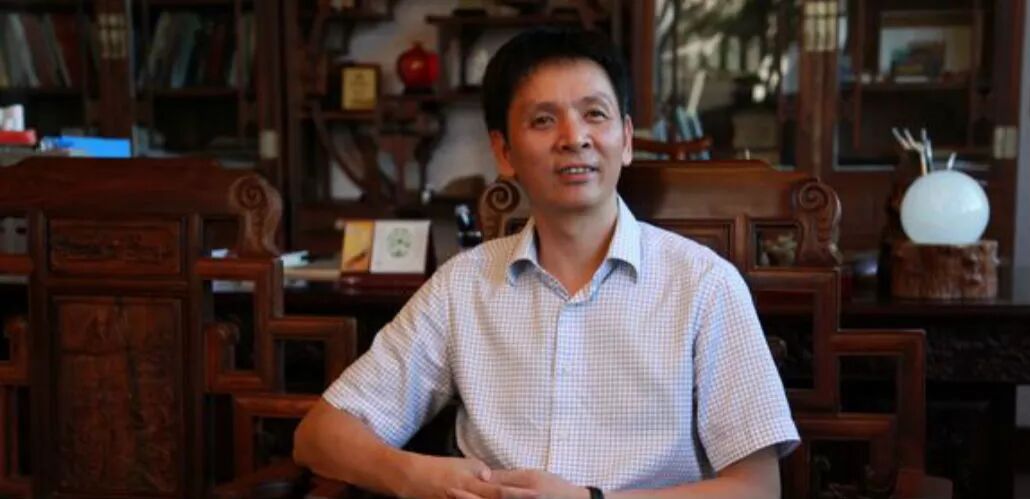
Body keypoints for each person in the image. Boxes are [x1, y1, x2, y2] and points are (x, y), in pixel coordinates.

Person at [294, 27, 799, 499]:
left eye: (594, 114)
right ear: (504, 152)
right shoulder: (462, 286)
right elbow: (319, 435)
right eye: (543, 120)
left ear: (625, 139)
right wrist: (419, 476)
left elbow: (757, 488)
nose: (573, 137)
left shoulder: (704, 284)